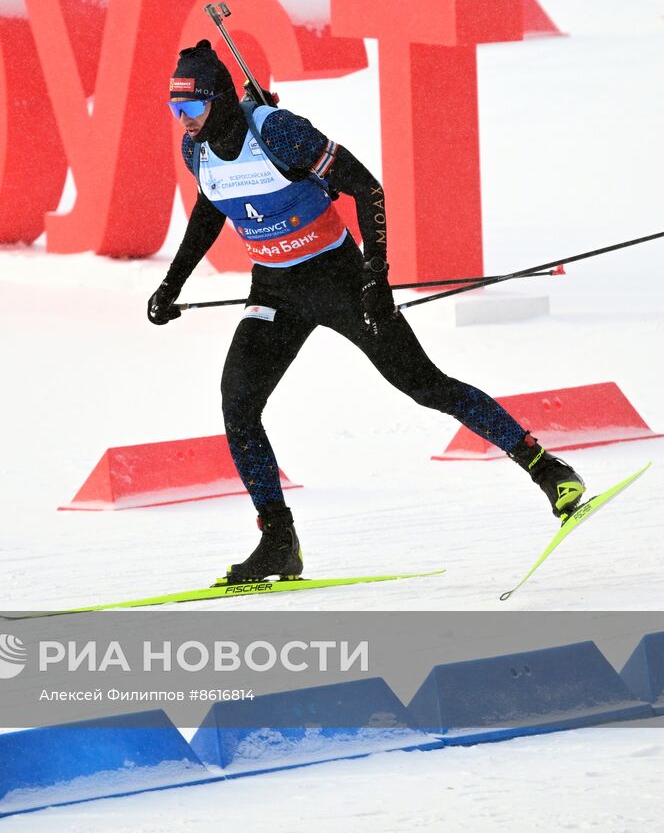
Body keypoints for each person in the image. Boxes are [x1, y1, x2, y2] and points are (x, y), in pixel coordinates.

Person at [149, 39, 586, 584]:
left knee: (425, 386)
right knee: (238, 404)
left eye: (190, 108)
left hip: (338, 279)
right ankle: (279, 542)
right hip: (275, 292)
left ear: (220, 99)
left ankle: (547, 469)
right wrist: (171, 284)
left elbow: (366, 189)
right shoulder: (198, 151)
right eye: (174, 110)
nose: (182, 121)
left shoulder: (280, 131)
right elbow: (211, 210)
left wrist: (375, 277)